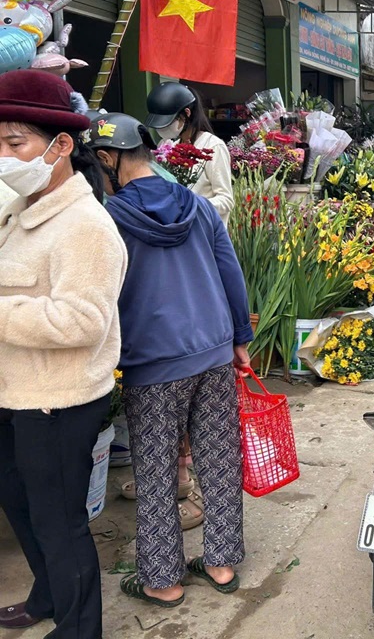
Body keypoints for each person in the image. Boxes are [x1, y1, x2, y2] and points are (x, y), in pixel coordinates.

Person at [88, 112, 253, 607]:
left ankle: (162, 580)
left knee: (157, 468)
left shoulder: (110, 218)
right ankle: (222, 565)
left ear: (106, 158)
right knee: (219, 458)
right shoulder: (198, 207)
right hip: (213, 352)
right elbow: (230, 270)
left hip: (154, 363)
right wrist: (240, 337)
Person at [0, 70, 128, 637]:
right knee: (22, 511)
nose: (3, 156)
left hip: (56, 402)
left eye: (14, 143)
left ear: (61, 146)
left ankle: (80, 629)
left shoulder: (85, 226)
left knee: (59, 523)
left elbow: (80, 321)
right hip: (14, 393)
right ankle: (47, 595)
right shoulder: (19, 211)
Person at [145, 82, 233, 226]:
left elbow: (226, 200)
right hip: (172, 230)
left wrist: (191, 206)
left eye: (168, 122)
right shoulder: (165, 145)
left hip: (202, 233)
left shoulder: (212, 146)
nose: (164, 129)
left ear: (186, 113)